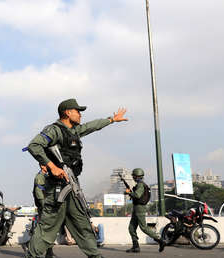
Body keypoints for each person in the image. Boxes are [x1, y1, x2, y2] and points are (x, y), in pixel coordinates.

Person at [25, 98, 128, 258]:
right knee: (47, 227)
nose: (80, 115)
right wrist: (52, 166)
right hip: (57, 189)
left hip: (72, 186)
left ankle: (95, 255)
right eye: (77, 111)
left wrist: (111, 120)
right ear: (67, 112)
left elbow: (91, 126)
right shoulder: (54, 130)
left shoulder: (74, 131)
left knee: (82, 223)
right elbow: (34, 145)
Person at [125, 168, 166, 253]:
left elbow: (137, 195)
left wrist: (129, 192)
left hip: (140, 208)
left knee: (143, 227)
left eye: (134, 176)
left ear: (137, 176)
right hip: (136, 207)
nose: (133, 177)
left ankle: (160, 240)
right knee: (131, 228)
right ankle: (135, 247)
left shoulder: (140, 185)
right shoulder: (140, 184)